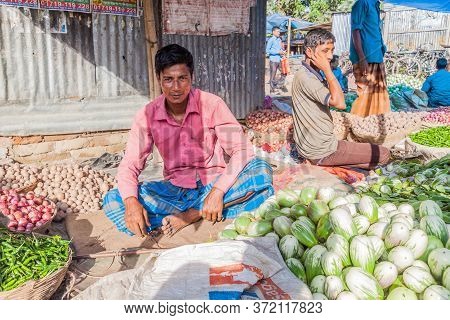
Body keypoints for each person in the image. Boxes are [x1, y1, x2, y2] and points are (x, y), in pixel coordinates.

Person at [103, 44, 274, 238]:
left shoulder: (211, 104)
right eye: (168, 79)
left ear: (191, 78)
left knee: (261, 170)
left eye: (182, 79)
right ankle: (206, 210)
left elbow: (242, 151)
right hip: (175, 192)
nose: (176, 88)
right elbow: (130, 165)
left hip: (213, 182)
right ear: (159, 79)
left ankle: (194, 214)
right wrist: (131, 202)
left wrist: (218, 191)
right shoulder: (147, 115)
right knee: (114, 199)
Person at [291, 29, 390, 169]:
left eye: (332, 50)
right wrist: (327, 70)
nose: (330, 56)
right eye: (325, 51)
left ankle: (337, 164)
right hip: (322, 150)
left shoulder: (308, 73)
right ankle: (326, 163)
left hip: (317, 146)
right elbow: (340, 103)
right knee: (384, 154)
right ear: (309, 52)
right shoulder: (307, 78)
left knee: (369, 155)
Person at [350, 0, 390, 117]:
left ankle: (376, 121)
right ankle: (359, 122)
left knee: (379, 93)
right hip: (366, 57)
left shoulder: (376, 5)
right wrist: (362, 58)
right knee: (365, 95)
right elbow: (355, 31)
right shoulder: (362, 3)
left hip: (377, 55)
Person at [266, 26, 288, 93]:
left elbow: (280, 49)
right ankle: (272, 90)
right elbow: (267, 50)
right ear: (273, 32)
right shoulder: (271, 40)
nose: (279, 32)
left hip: (279, 59)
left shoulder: (279, 40)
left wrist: (283, 52)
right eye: (278, 31)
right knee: (273, 75)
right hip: (273, 60)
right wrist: (278, 52)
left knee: (284, 73)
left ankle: (277, 86)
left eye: (279, 31)